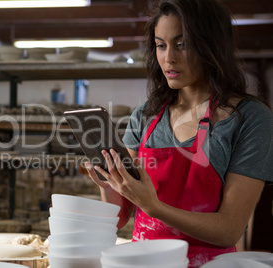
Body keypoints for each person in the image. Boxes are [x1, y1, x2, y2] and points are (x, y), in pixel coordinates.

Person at [84, 0, 273, 267]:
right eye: (161, 45)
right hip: (142, 262)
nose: (168, 58)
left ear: (212, 46)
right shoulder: (145, 116)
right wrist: (109, 184)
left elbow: (229, 229)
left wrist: (155, 208)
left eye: (181, 44)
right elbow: (121, 217)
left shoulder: (250, 119)